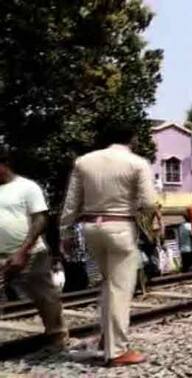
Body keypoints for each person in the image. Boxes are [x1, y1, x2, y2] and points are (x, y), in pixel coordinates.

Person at [59, 125, 158, 365]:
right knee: (120, 290)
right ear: (131, 139)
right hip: (120, 227)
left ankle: (106, 339)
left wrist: (66, 232)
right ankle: (117, 351)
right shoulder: (136, 163)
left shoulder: (84, 162)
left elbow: (71, 203)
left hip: (91, 228)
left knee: (107, 286)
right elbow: (148, 202)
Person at [0, 148, 67, 351]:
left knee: (45, 296)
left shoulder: (27, 187)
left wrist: (22, 251)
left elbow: (40, 219)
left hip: (31, 253)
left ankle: (57, 338)